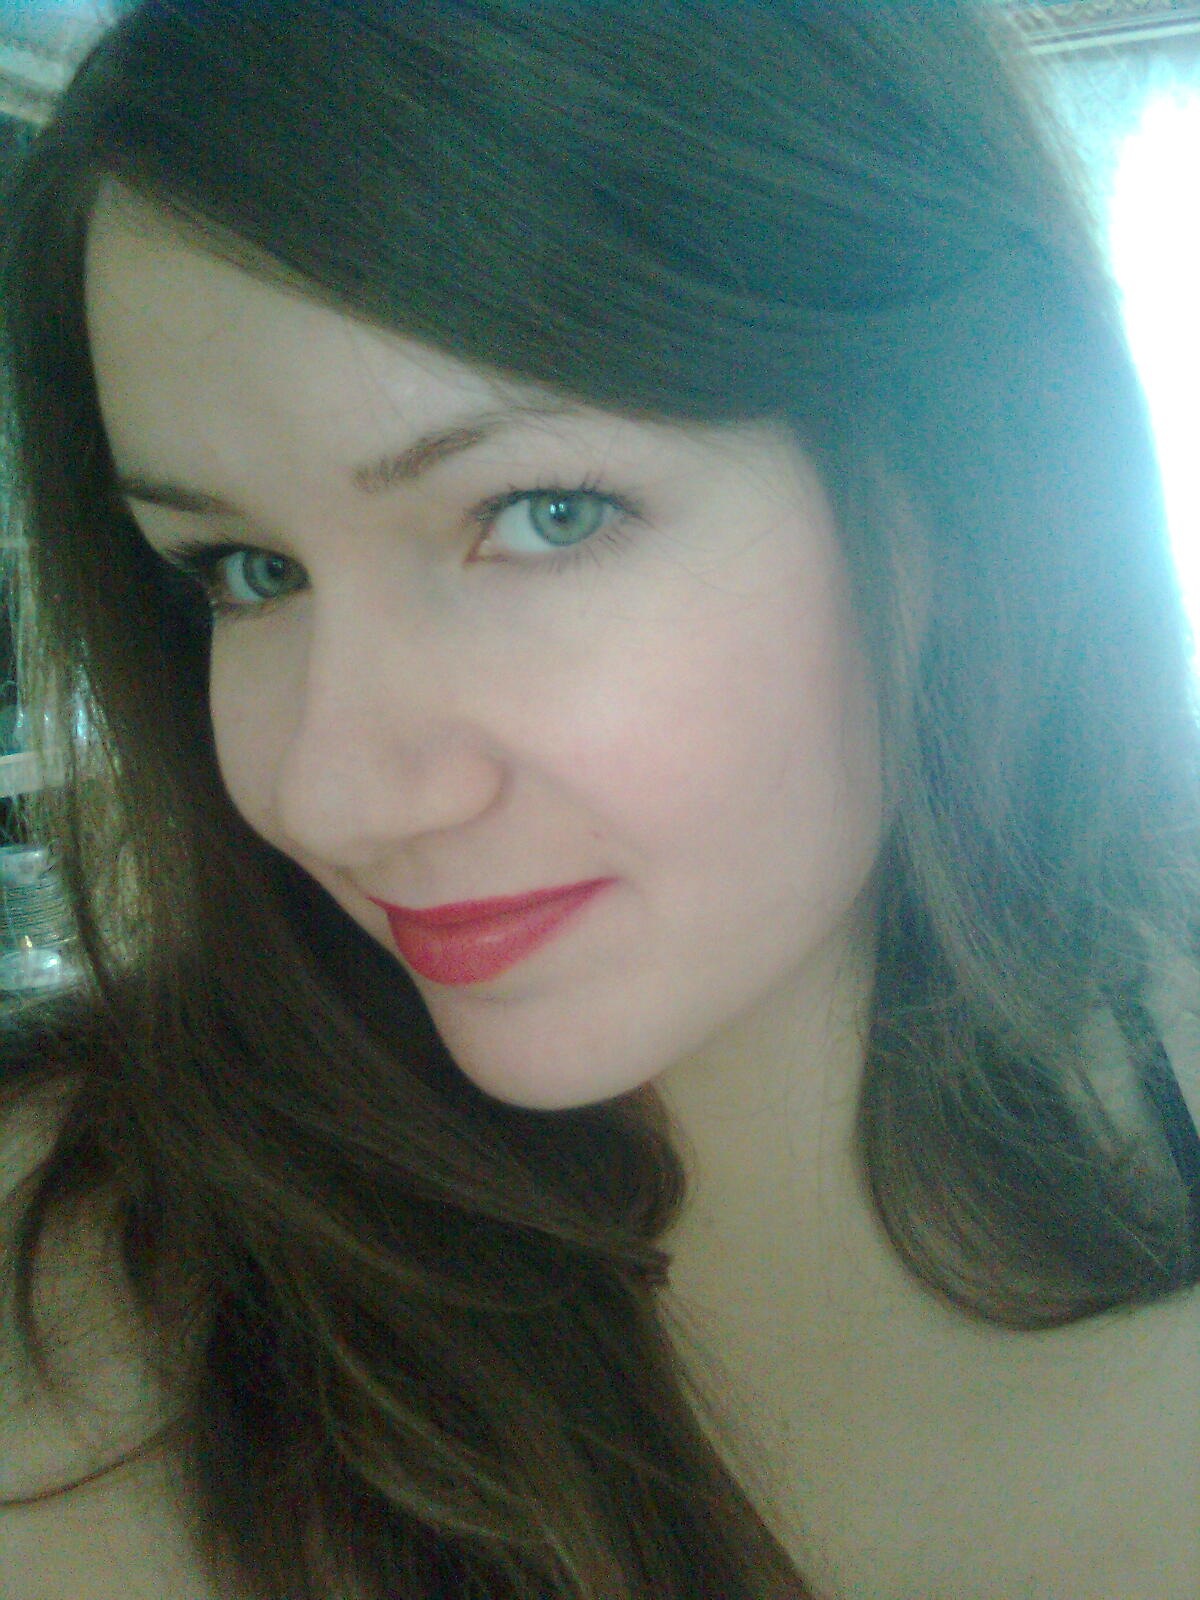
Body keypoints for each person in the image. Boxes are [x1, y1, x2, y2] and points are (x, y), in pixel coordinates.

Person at [0, 1, 1197, 1595]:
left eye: (543, 514)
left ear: (966, 493)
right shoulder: (79, 1293)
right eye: (245, 571)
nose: (330, 794)